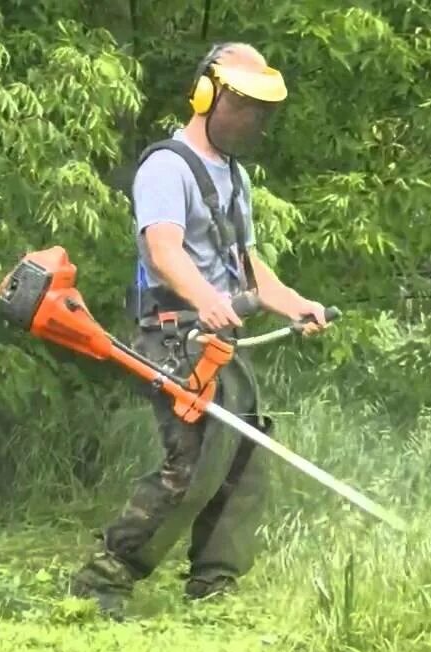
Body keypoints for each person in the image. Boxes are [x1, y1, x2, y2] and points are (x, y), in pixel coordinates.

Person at [69, 42, 327, 619]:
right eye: (246, 105)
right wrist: (207, 300)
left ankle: (214, 589)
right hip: (175, 336)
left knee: (243, 462)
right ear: (208, 95)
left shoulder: (234, 177)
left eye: (264, 110)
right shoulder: (167, 165)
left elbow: (249, 267)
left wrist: (295, 305)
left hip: (219, 337)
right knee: (191, 468)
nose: (257, 120)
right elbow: (163, 251)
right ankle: (102, 579)